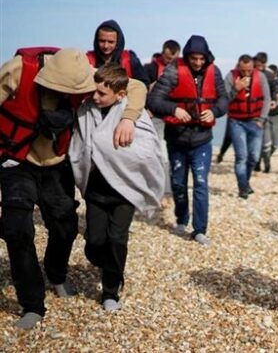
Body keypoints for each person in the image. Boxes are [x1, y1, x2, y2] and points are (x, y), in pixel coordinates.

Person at [0, 47, 146, 329]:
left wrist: (128, 117)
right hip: (17, 161)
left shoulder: (85, 73)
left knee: (65, 225)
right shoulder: (19, 68)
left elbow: (135, 85)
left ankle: (56, 274)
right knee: (17, 228)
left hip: (56, 164)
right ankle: (32, 304)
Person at [69, 63, 165, 311]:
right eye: (95, 91)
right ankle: (108, 262)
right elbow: (79, 146)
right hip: (96, 189)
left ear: (120, 95)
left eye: (102, 94)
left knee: (117, 239)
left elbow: (148, 151)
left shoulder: (134, 115)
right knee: (94, 243)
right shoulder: (85, 110)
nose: (95, 97)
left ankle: (111, 290)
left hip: (125, 189)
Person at [147, 35, 229, 246]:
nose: (198, 63)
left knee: (201, 183)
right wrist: (174, 108)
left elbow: (223, 100)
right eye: (194, 58)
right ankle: (181, 219)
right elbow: (154, 100)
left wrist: (214, 111)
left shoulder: (215, 71)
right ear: (187, 56)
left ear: (207, 57)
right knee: (178, 183)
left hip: (202, 139)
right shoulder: (173, 71)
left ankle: (200, 229)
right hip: (177, 137)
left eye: (202, 59)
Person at [224, 54, 270, 198]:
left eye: (249, 70)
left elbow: (267, 98)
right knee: (241, 156)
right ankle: (243, 187)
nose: (246, 73)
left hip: (256, 121)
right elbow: (224, 100)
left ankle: (246, 181)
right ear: (238, 67)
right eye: (243, 70)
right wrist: (236, 89)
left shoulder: (260, 77)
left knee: (254, 157)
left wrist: (262, 119)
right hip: (237, 121)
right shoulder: (230, 77)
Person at [144, 39, 181, 202]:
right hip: (157, 117)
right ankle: (164, 191)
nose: (170, 62)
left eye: (173, 59)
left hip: (178, 118)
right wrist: (149, 90)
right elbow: (138, 89)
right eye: (167, 59)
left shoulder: (184, 70)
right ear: (162, 54)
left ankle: (173, 189)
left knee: (176, 156)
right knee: (162, 155)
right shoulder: (149, 69)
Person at [87, 19, 150, 86]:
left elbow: (143, 85)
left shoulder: (131, 60)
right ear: (96, 41)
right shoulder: (87, 60)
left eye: (110, 42)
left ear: (118, 42)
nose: (106, 46)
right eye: (102, 41)